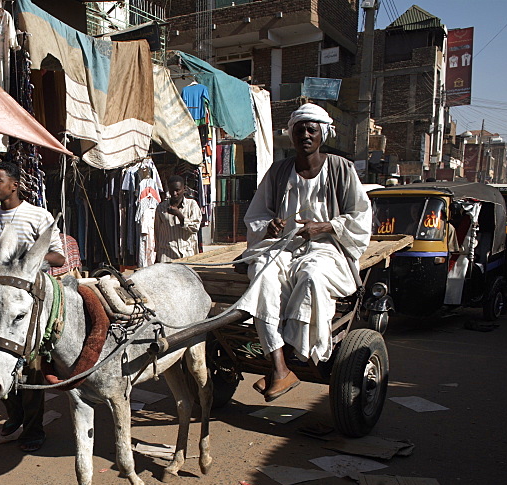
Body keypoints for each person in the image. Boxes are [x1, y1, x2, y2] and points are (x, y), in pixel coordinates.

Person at [232, 103, 372, 401]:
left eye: (312, 130)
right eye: (300, 130)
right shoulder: (279, 171)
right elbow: (257, 215)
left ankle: (299, 353)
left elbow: (360, 217)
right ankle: (280, 366)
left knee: (311, 274)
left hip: (328, 247)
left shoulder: (340, 169)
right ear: (292, 135)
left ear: (323, 134)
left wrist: (324, 227)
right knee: (262, 274)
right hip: (284, 246)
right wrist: (268, 227)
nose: (306, 135)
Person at [0, 161, 65, 451]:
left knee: (30, 367)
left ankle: (33, 430)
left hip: (29, 303)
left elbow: (59, 257)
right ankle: (14, 416)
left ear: (14, 184)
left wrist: (32, 260)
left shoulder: (37, 216)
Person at [154, 175, 202, 262]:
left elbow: (195, 227)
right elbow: (157, 232)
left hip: (187, 254)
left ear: (184, 189)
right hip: (167, 255)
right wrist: (157, 253)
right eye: (172, 191)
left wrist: (179, 215)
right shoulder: (161, 208)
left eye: (177, 190)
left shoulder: (192, 205)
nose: (174, 194)